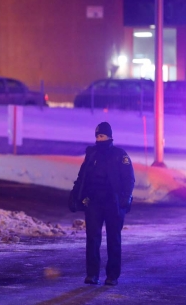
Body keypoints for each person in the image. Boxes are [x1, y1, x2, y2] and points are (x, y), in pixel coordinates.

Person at [69, 122, 135, 286]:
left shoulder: (120, 155)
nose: (100, 139)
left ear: (110, 136)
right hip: (94, 203)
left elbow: (129, 179)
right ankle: (92, 274)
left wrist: (125, 198)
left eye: (102, 136)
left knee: (114, 239)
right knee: (92, 239)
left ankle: (112, 276)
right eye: (98, 136)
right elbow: (82, 177)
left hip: (113, 203)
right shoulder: (91, 155)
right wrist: (75, 196)